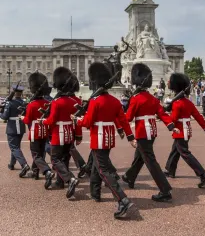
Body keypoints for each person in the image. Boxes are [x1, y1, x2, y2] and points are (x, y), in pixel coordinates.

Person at [73, 62, 136, 218]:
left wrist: (77, 120)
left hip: (99, 137)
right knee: (95, 165)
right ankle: (95, 192)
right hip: (108, 138)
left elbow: (88, 122)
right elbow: (123, 121)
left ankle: (122, 199)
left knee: (103, 170)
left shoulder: (95, 101)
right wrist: (130, 137)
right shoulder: (115, 101)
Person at [122, 63, 178, 202]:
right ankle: (130, 177)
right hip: (152, 131)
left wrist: (116, 121)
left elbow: (128, 118)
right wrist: (171, 126)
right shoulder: (153, 99)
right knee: (140, 156)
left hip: (142, 132)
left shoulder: (135, 99)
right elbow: (162, 114)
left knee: (150, 161)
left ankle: (165, 189)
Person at [164, 73, 205, 188]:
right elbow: (198, 116)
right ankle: (169, 170)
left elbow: (173, 119)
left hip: (180, 131)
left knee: (185, 153)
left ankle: (203, 174)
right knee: (175, 150)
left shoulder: (177, 103)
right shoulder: (188, 102)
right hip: (186, 130)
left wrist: (163, 115)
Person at [40, 67, 81, 198]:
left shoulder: (57, 102)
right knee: (65, 159)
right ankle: (60, 181)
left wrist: (43, 122)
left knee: (55, 159)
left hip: (59, 133)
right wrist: (78, 135)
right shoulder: (75, 101)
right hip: (70, 133)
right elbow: (77, 120)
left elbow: (52, 120)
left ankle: (69, 179)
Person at [19, 72, 55, 188]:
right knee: (40, 152)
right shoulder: (47, 103)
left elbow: (28, 120)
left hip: (35, 131)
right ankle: (35, 172)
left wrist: (22, 117)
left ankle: (46, 171)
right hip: (44, 130)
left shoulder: (32, 104)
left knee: (36, 154)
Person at [0, 85, 30, 177]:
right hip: (20, 126)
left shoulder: (10, 102)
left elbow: (4, 117)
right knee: (16, 146)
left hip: (12, 127)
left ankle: (24, 164)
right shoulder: (24, 103)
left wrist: (0, 112)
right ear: (21, 93)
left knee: (14, 147)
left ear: (14, 92)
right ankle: (12, 164)